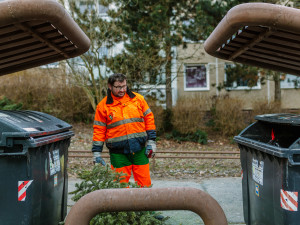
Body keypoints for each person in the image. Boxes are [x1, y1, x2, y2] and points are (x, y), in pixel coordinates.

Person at [91, 73, 156, 187]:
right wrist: (96, 153)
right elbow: (99, 130)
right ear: (110, 86)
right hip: (118, 154)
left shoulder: (138, 99)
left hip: (140, 150)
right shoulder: (103, 106)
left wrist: (151, 142)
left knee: (145, 185)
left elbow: (149, 119)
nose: (122, 90)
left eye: (124, 86)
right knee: (119, 188)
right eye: (118, 87)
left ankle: (146, 205)